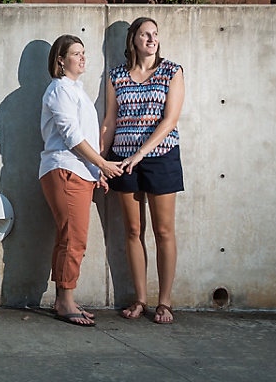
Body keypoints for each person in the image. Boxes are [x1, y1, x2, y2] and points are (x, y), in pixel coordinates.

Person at [103, 16, 185, 325]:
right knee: (133, 231)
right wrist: (100, 161)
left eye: (155, 33)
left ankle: (164, 302)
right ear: (133, 40)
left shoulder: (171, 72)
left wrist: (141, 153)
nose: (151, 38)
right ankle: (140, 298)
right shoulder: (116, 76)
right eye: (145, 34)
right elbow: (110, 121)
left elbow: (170, 120)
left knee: (163, 230)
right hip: (123, 160)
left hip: (160, 157)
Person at [39, 34, 123, 327]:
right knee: (73, 238)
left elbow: (84, 136)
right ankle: (64, 301)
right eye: (76, 53)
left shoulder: (76, 90)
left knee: (72, 237)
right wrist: (102, 164)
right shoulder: (59, 89)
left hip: (80, 171)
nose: (83, 57)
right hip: (65, 169)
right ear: (60, 60)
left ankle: (66, 297)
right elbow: (71, 136)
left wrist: (97, 172)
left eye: (84, 52)